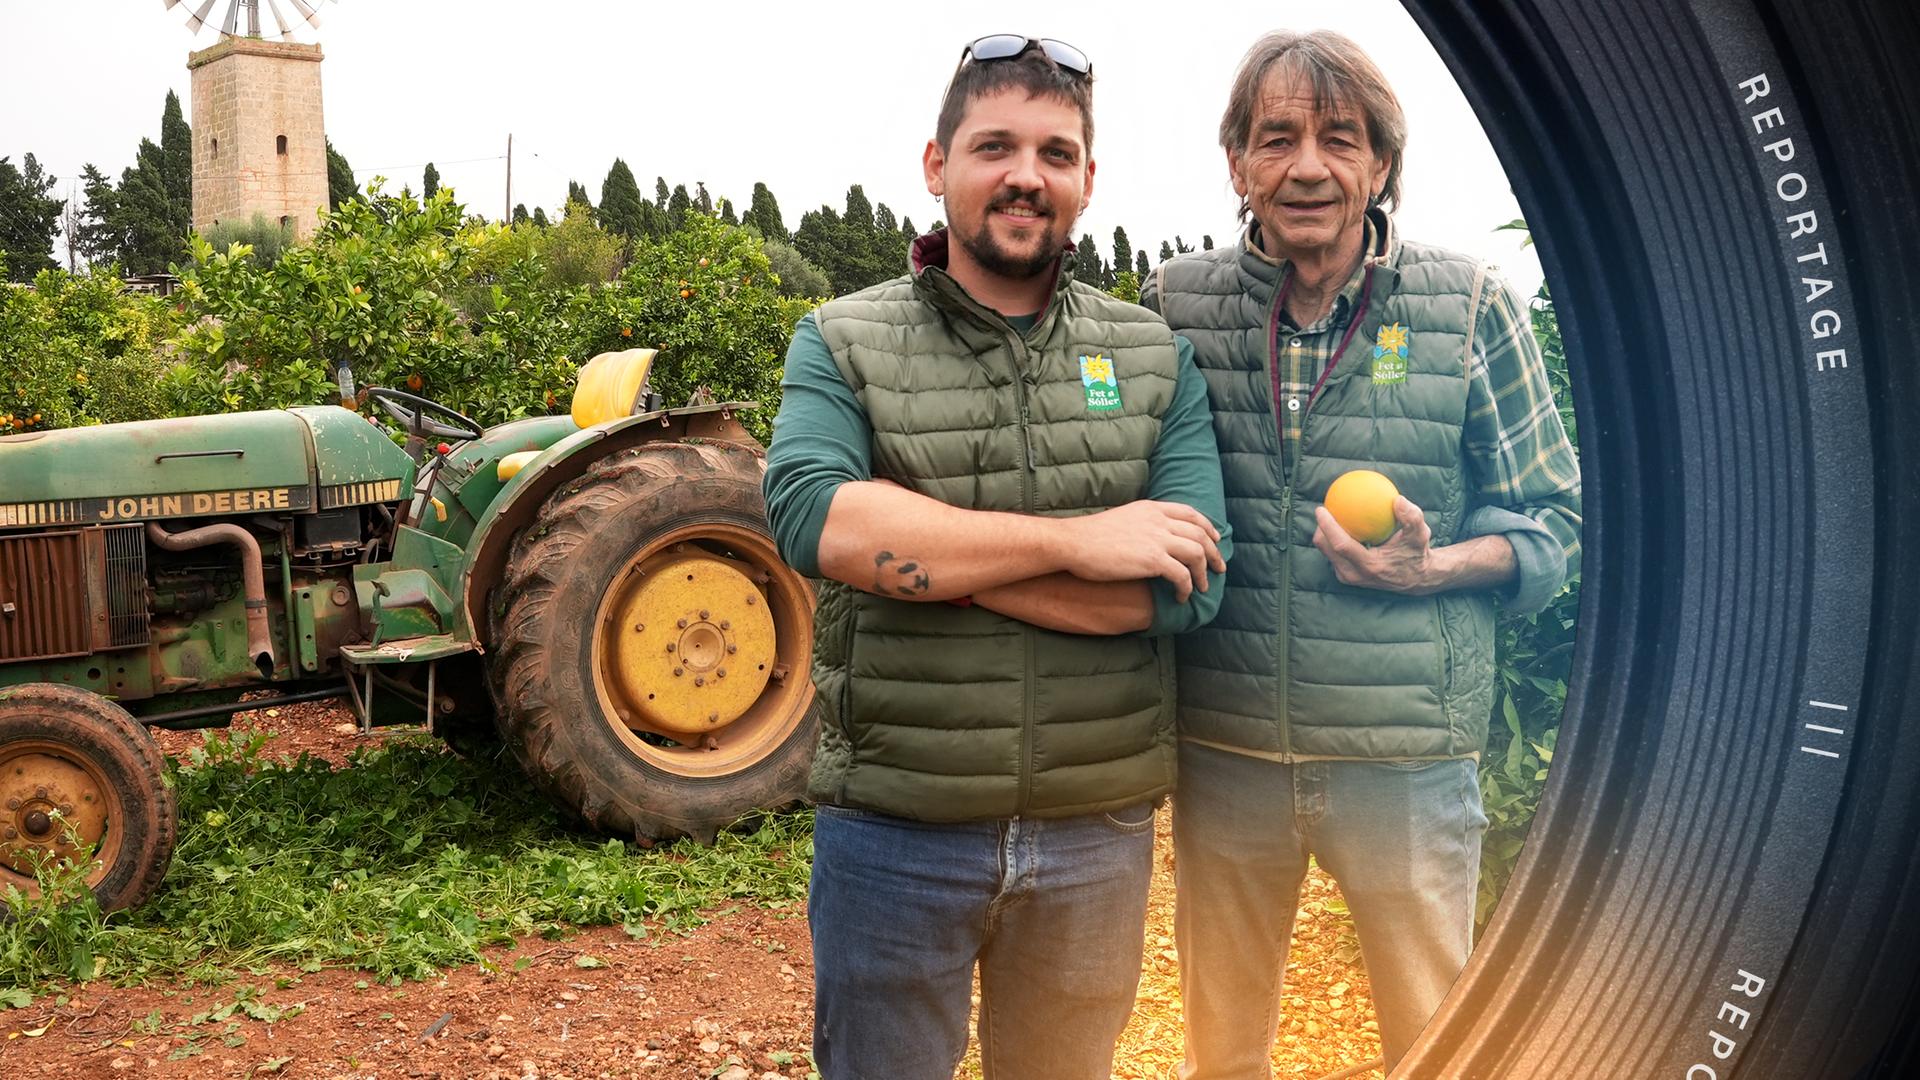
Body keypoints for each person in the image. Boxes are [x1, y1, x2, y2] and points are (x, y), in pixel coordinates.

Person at [761, 34, 1232, 1080]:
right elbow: (817, 520)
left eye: (1056, 154)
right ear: (939, 167)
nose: (1027, 175)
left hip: (1092, 837)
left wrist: (928, 551)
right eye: (996, 147)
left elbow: (1190, 586)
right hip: (894, 834)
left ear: (1088, 182)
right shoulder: (841, 340)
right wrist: (1083, 542)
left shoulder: (1155, 358)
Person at [1139, 28, 1582, 1077]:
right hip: (1226, 752)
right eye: (1276, 137)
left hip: (1407, 763)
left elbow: (1556, 528)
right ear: (1237, 164)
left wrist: (1431, 569)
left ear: (1381, 163)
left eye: (1340, 139)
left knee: (1435, 1039)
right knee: (1222, 1043)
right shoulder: (1174, 307)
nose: (1307, 166)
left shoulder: (1469, 305)